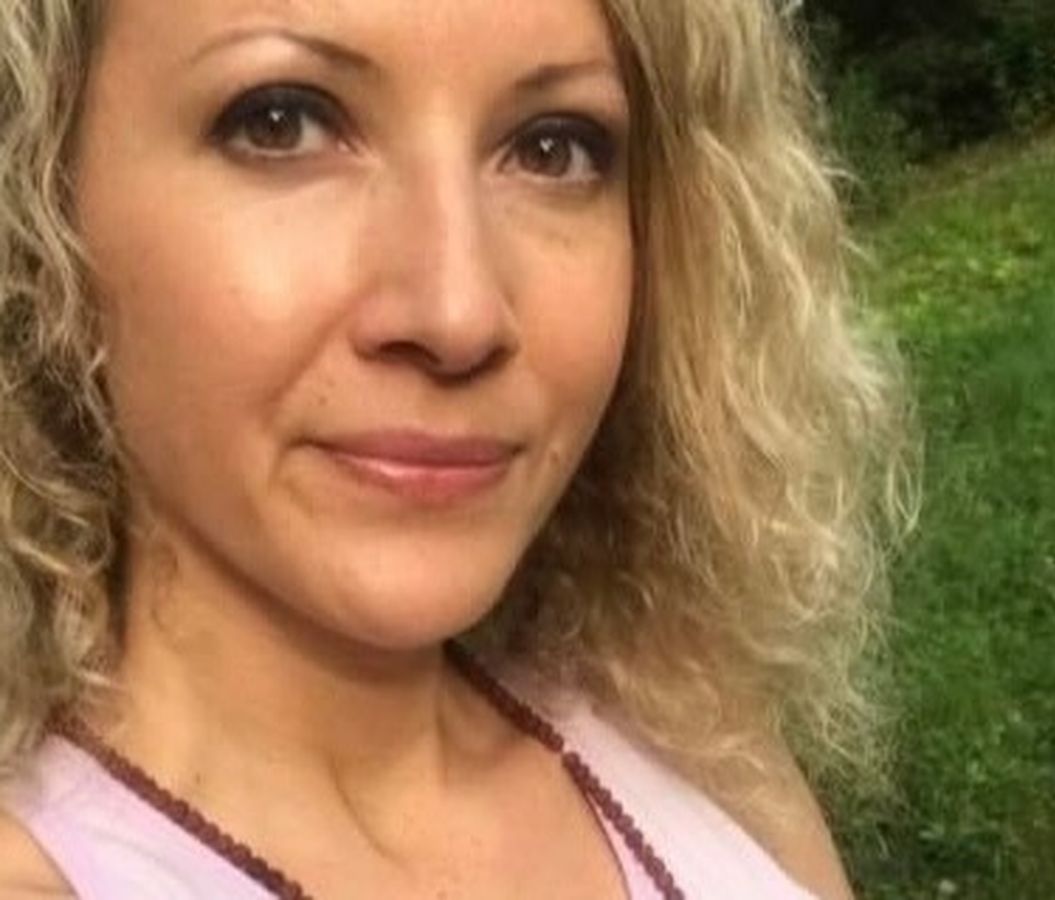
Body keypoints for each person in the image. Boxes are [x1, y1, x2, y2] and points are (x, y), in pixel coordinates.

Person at [0, 0, 907, 897]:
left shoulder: (698, 746)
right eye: (282, 123)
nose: (458, 312)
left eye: (552, 148)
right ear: (41, 203)